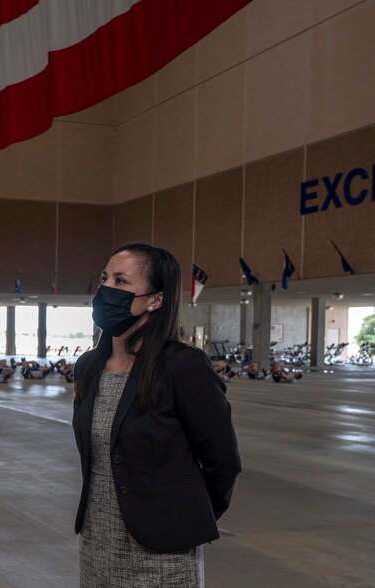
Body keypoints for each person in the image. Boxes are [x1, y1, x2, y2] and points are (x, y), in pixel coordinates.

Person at [72, 243, 241, 586]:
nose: (107, 289)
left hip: (162, 557)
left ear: (155, 299)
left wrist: (180, 518)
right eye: (105, 278)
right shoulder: (88, 367)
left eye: (121, 281)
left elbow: (223, 460)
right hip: (97, 546)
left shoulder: (183, 366)